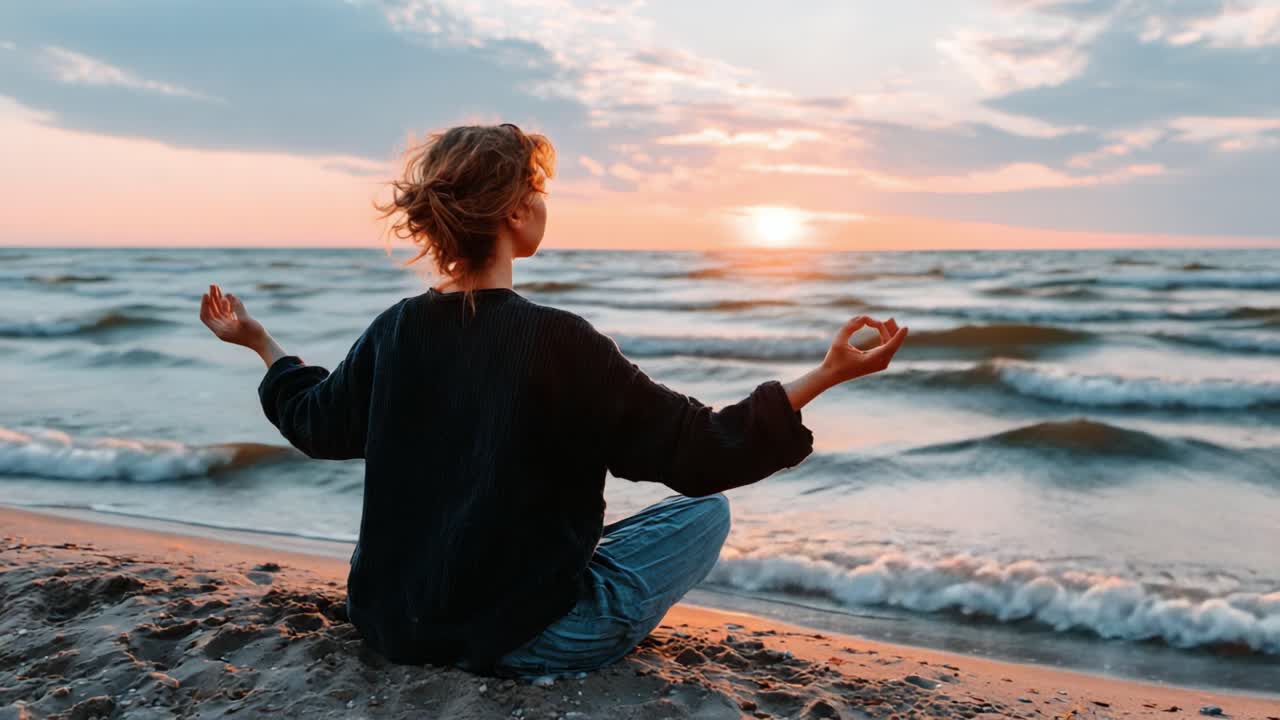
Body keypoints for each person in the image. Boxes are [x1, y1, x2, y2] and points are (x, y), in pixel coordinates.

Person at [198, 123, 908, 679]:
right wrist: (825, 376)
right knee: (704, 514)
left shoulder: (397, 329)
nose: (543, 203)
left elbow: (315, 422)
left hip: (392, 625)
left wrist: (262, 344)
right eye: (537, 190)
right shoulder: (559, 341)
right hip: (523, 640)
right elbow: (698, 451)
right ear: (513, 210)